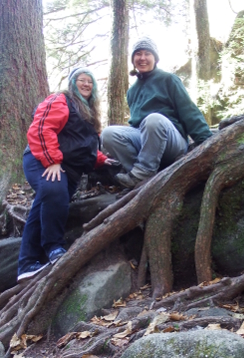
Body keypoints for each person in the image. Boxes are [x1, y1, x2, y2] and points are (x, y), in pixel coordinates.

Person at [17, 67, 114, 282]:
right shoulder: (60, 100)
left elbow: (83, 145)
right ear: (73, 83)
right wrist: (52, 161)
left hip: (68, 169)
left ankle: (27, 264)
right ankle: (54, 249)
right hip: (42, 160)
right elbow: (41, 128)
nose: (86, 84)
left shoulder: (88, 113)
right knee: (54, 191)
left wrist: (100, 159)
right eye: (82, 80)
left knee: (43, 205)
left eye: (90, 81)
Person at [102, 36, 212, 189]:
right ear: (133, 59)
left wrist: (206, 140)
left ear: (155, 58)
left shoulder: (168, 79)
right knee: (108, 133)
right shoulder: (132, 91)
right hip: (147, 141)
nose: (142, 58)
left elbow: (188, 111)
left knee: (153, 119)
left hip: (173, 141)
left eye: (147, 54)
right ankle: (138, 175)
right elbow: (135, 124)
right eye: (138, 54)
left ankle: (142, 173)